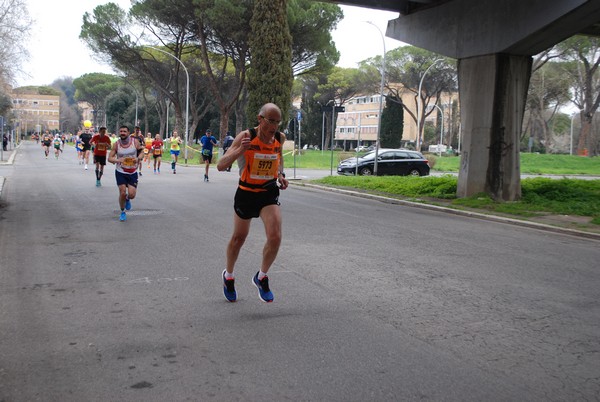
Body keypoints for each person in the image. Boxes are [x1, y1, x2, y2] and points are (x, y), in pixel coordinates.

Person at [216, 103, 289, 303]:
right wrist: (240, 149)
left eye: (277, 122)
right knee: (239, 238)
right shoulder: (246, 136)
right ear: (260, 118)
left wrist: (281, 174)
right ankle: (228, 276)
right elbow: (221, 165)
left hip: (267, 192)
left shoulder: (279, 138)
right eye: (270, 121)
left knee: (275, 236)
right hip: (246, 192)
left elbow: (278, 157)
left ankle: (262, 277)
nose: (273, 126)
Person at [108, 126, 144, 222]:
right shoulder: (116, 144)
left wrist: (138, 158)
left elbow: (142, 152)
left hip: (132, 171)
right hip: (121, 171)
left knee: (132, 195)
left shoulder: (135, 142)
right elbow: (110, 158)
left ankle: (128, 198)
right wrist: (117, 160)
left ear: (128, 133)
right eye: (121, 131)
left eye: (124, 131)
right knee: (122, 192)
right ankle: (122, 211)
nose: (122, 133)